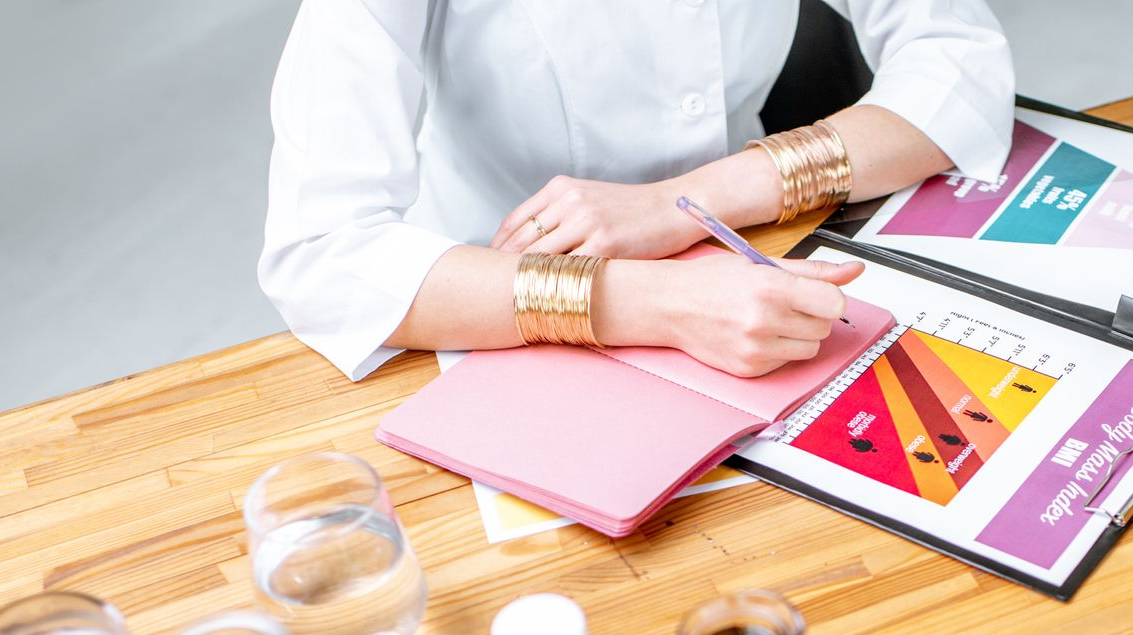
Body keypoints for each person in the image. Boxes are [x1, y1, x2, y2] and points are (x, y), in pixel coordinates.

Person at [259, 0, 1014, 381]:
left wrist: (690, 201)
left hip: (749, 257)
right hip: (482, 298)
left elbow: (961, 66)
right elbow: (320, 251)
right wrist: (659, 303)